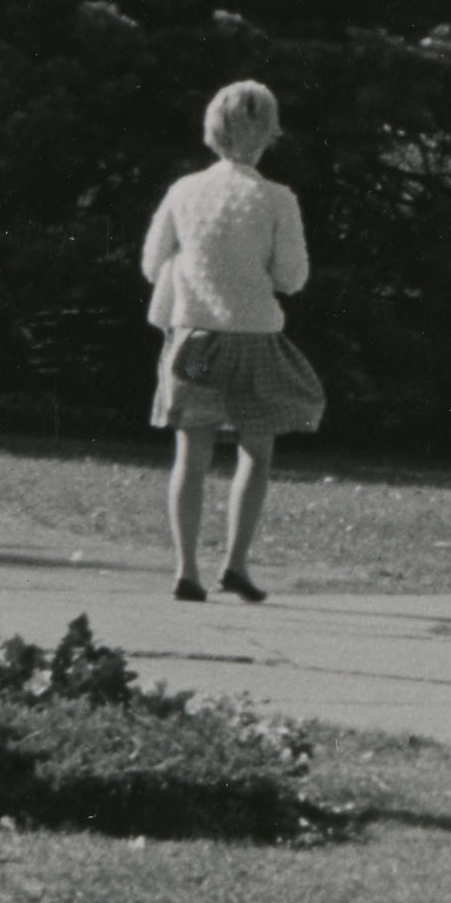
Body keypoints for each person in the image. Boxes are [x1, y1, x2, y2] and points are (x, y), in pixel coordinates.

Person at [141, 79, 323, 604]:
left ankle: (185, 568)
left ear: (211, 129)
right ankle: (236, 564)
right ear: (269, 132)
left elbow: (153, 263)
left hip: (193, 334)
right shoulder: (276, 199)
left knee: (190, 453)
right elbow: (292, 276)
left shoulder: (183, 191)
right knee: (256, 450)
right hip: (253, 335)